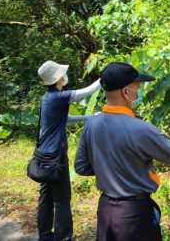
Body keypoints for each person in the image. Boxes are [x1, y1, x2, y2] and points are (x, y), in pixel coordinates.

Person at [74, 62, 170, 241]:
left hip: (105, 211)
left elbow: (81, 167)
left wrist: (110, 169)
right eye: (137, 88)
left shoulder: (91, 123)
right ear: (126, 92)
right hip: (133, 214)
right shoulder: (140, 129)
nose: (139, 92)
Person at [36, 60, 101, 241]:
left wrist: (88, 117)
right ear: (58, 78)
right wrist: (105, 76)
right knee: (62, 201)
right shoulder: (59, 97)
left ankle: (44, 236)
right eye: (61, 73)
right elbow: (89, 91)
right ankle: (64, 239)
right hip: (56, 158)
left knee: (46, 197)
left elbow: (64, 119)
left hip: (43, 157)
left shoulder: (47, 97)